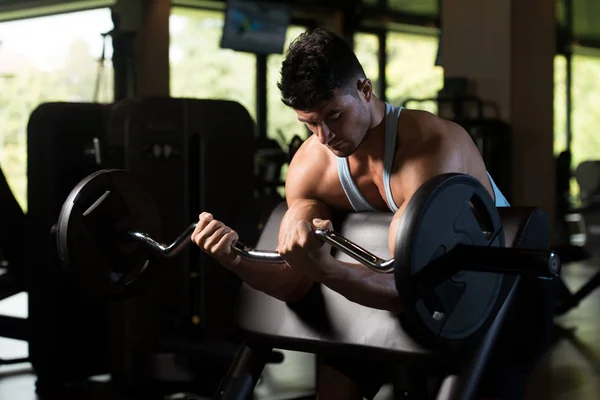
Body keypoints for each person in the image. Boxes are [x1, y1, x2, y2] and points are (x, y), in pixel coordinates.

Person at [192, 28, 513, 399]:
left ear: (364, 90)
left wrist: (326, 268)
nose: (324, 137)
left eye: (334, 116)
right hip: (393, 297)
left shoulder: (430, 148)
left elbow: (409, 288)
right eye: (309, 123)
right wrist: (236, 259)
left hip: (500, 288)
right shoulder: (310, 167)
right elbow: (294, 282)